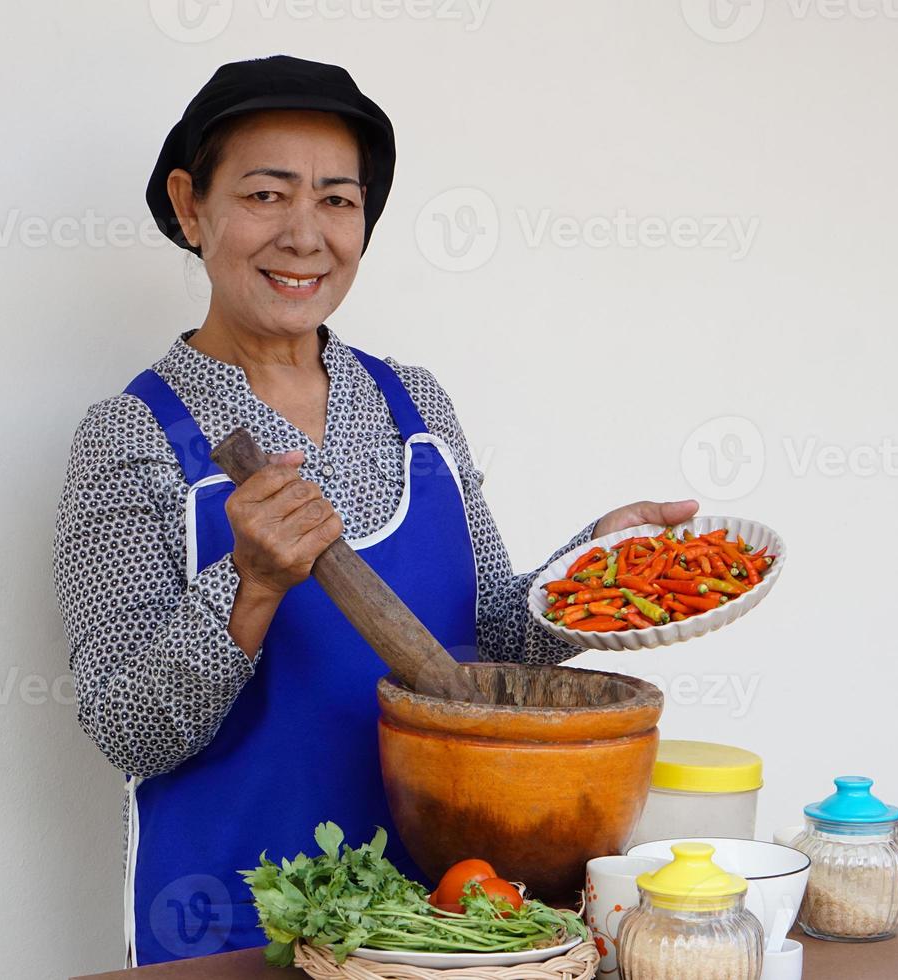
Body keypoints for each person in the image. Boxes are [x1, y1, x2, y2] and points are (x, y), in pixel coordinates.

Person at [52, 54, 699, 966]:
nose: (305, 235)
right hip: (236, 924)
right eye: (267, 195)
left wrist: (589, 570)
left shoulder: (414, 408)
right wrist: (249, 587)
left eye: (337, 200)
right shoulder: (131, 435)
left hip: (452, 917)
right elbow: (129, 727)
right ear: (192, 206)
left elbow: (482, 654)